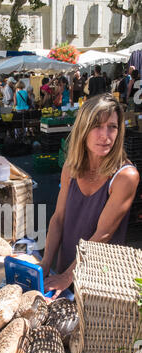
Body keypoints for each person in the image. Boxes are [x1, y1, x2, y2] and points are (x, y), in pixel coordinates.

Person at [40, 94, 139, 299]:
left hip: (99, 276)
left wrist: (69, 276)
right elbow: (58, 218)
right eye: (97, 126)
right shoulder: (71, 167)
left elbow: (103, 235)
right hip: (66, 265)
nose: (105, 135)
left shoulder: (125, 176)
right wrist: (45, 265)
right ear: (83, 130)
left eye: (112, 126)